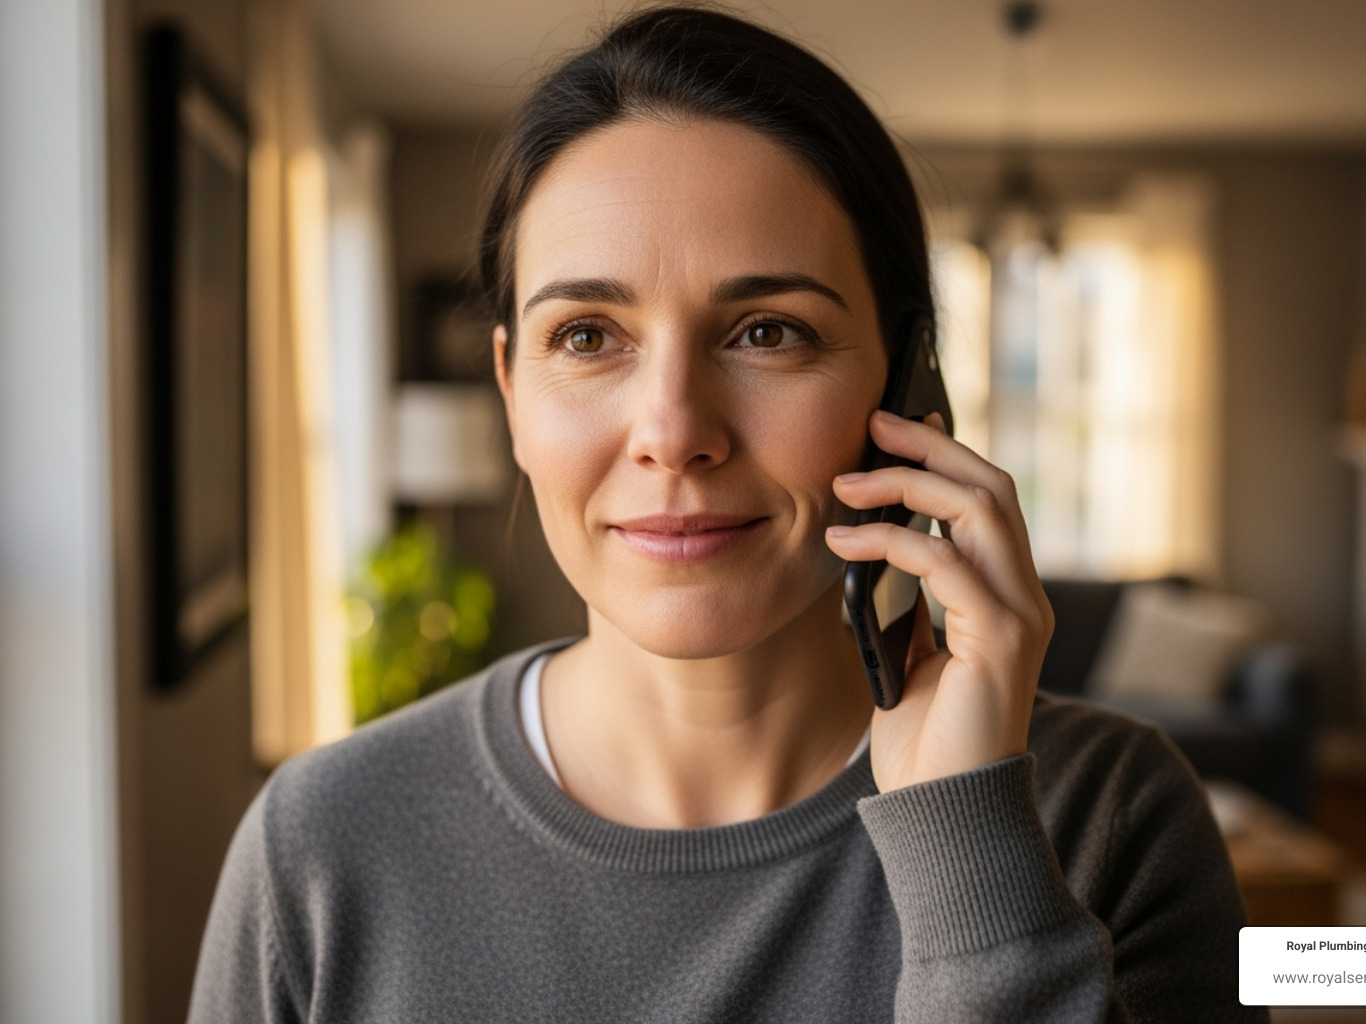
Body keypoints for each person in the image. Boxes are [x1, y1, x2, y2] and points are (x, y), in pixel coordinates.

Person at [189, 7, 1265, 1022]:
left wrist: (967, 853)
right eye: (587, 336)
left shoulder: (1108, 815)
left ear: (906, 389)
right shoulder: (320, 847)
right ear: (512, 391)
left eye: (766, 333)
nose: (674, 429)